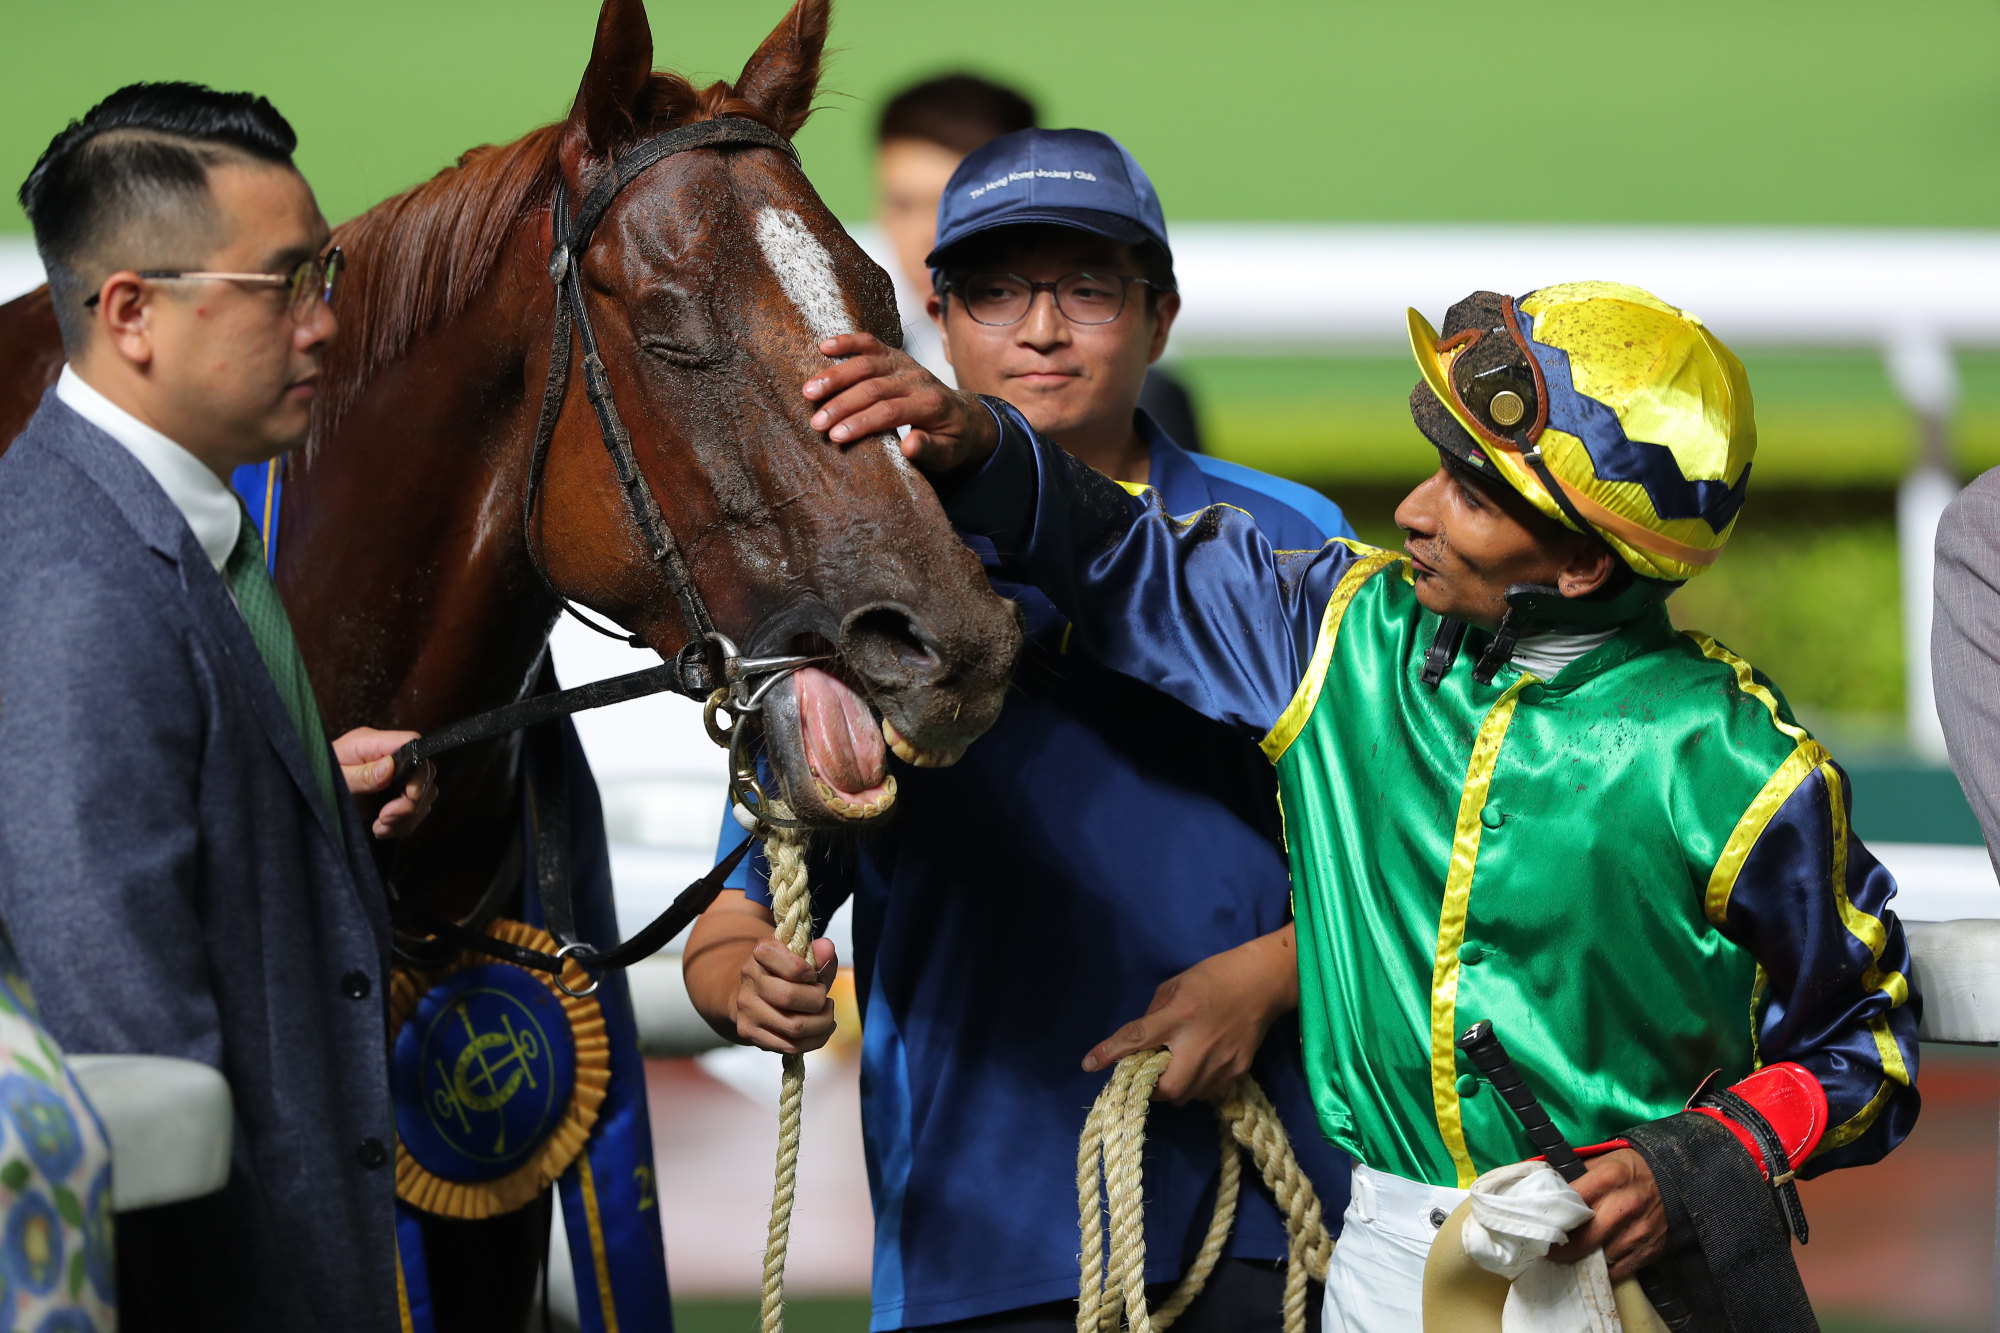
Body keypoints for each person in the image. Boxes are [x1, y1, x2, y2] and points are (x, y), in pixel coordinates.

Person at [797, 279, 1922, 1328]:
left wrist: (1703, 1157)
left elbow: (1864, 1047)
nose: (1412, 510)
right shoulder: (1337, 626)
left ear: (1579, 565)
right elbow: (1118, 552)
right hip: (1377, 1258)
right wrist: (983, 442)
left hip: (1632, 1280)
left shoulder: (1736, 765)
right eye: (1433, 462)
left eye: (1470, 494)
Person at [687, 127, 1349, 1333]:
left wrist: (1271, 974)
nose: (1039, 328)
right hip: (977, 1221)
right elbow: (751, 891)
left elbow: (1411, 839)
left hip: (1269, 1199)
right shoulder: (863, 569)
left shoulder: (1285, 536)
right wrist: (736, 973)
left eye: (1086, 289)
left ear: (1159, 316)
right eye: (994, 291)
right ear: (934, 315)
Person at [0, 82, 436, 1329]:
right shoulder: (77, 583)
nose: (328, 326)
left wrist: (304, 803)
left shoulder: (173, 535)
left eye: (328, 275)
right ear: (132, 312)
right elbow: (126, 1053)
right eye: (285, 284)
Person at [872, 74, 1205, 449]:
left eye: (951, 203)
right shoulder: (870, 370)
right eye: (901, 204)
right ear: (940, 318)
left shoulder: (1143, 391)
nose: (923, 234)